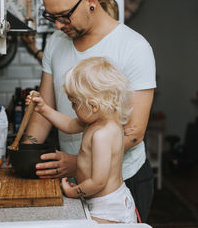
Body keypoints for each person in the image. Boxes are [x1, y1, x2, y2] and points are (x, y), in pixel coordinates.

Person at [21, 0, 156, 222]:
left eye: (64, 16)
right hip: (75, 179)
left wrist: (77, 161)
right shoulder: (56, 42)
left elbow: (135, 132)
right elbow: (44, 109)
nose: (58, 26)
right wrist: (25, 155)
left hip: (123, 183)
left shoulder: (134, 47)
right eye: (52, 17)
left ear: (90, 1)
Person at [26, 57, 136, 223]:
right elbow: (69, 125)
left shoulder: (102, 135)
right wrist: (44, 109)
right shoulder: (99, 121)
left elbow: (98, 182)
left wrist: (74, 191)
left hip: (108, 207)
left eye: (74, 103)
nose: (72, 108)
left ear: (93, 106)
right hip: (106, 200)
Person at [22, 0, 119, 63]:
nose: (58, 25)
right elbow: (55, 64)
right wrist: (34, 48)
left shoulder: (122, 48)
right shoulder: (63, 39)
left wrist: (34, 50)